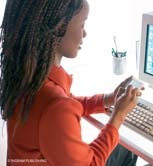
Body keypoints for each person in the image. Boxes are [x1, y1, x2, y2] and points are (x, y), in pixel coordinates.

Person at [0, 0, 143, 165]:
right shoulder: (55, 104)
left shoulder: (28, 79)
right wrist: (118, 116)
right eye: (82, 24)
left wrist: (107, 99)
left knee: (125, 148)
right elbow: (91, 163)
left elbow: (65, 104)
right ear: (58, 26)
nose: (85, 33)